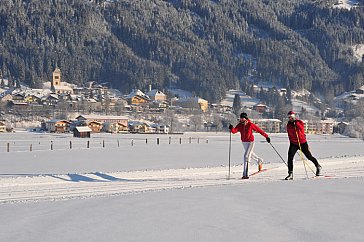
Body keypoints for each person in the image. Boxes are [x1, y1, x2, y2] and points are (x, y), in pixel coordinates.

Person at [229, 112, 271, 179]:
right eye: (241, 118)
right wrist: (231, 128)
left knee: (246, 156)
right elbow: (234, 131)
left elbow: (259, 130)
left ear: (245, 118)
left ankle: (245, 174)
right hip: (244, 142)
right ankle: (259, 160)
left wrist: (266, 136)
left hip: (250, 142)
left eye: (242, 118)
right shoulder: (240, 125)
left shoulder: (250, 124)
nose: (241, 119)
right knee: (250, 155)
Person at [285, 111, 322, 180]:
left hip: (302, 142)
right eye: (288, 117)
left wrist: (296, 123)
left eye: (291, 117)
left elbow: (301, 129)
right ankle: (290, 174)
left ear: (293, 117)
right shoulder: (288, 125)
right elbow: (289, 135)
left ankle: (318, 166)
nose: (289, 118)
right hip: (293, 143)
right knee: (290, 158)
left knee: (309, 156)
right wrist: (291, 142)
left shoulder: (299, 122)